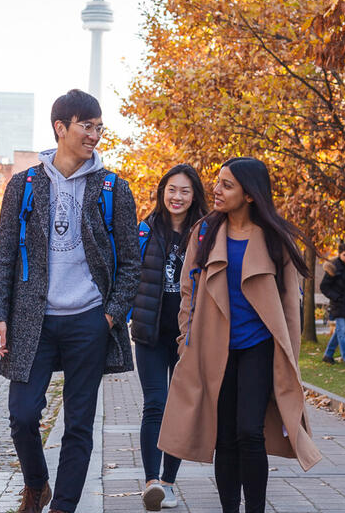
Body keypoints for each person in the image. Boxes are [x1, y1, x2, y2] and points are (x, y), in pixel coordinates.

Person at [0, 89, 140, 513]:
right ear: (61, 128)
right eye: (86, 126)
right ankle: (37, 485)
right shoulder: (25, 184)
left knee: (78, 424)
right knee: (22, 415)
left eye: (98, 128)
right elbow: (3, 256)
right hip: (32, 320)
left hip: (88, 322)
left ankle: (64, 506)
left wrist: (108, 317)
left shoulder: (113, 188)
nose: (94, 135)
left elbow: (131, 262)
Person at [158, 157, 321, 513]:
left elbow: (290, 308)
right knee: (225, 437)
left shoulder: (276, 240)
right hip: (214, 348)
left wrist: (290, 359)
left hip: (259, 348)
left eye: (227, 185)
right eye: (217, 182)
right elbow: (188, 291)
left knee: (250, 431)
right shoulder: (204, 232)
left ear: (249, 195)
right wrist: (186, 340)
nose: (216, 190)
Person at [129, 164, 208, 511]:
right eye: (172, 189)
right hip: (150, 334)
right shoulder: (145, 230)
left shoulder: (206, 233)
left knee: (179, 409)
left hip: (188, 337)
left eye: (185, 191)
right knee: (155, 404)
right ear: (163, 192)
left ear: (195, 196)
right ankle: (151, 482)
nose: (177, 197)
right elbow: (129, 275)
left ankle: (169, 482)